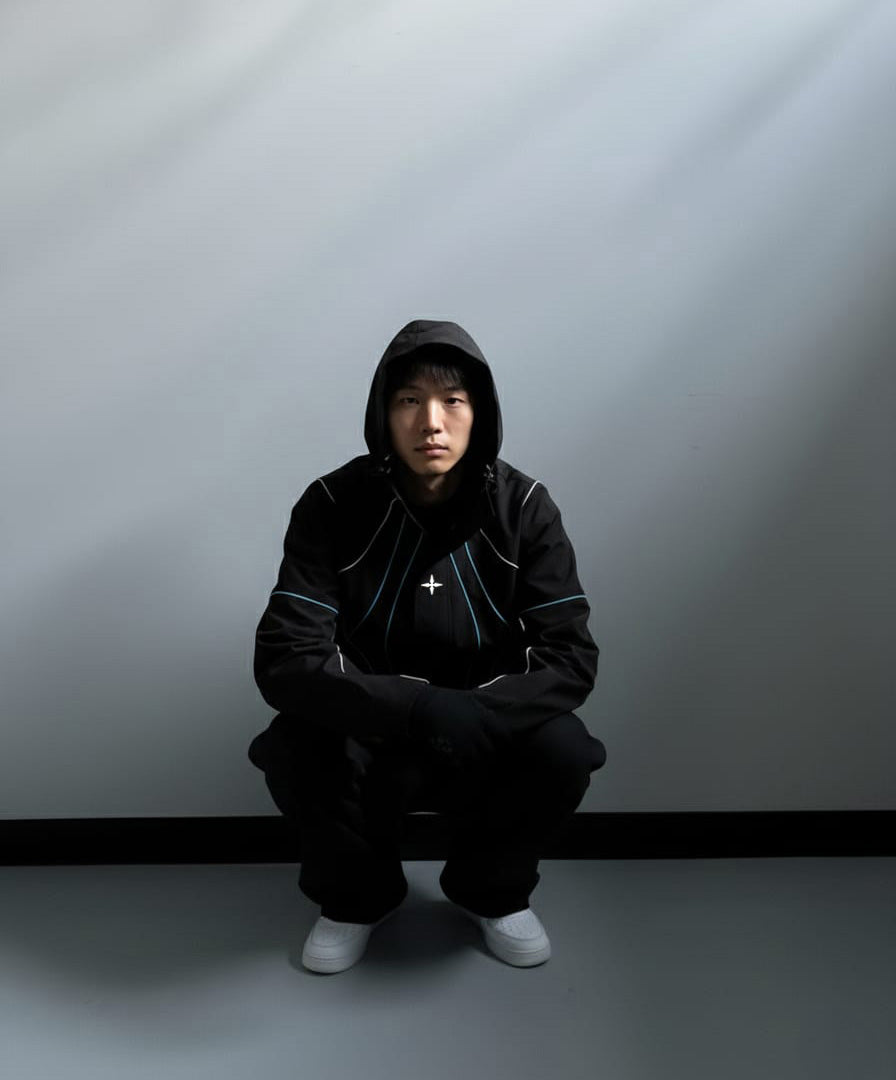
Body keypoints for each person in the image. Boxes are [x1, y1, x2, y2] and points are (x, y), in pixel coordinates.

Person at [248, 318, 606, 974]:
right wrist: (414, 708)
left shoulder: (525, 507)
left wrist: (478, 712)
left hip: (483, 729)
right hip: (368, 726)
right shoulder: (330, 504)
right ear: (383, 413)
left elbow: (570, 656)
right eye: (409, 401)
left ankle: (489, 890)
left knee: (567, 749)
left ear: (482, 415)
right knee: (293, 746)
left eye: (453, 402)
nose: (431, 423)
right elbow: (286, 658)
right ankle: (358, 898)